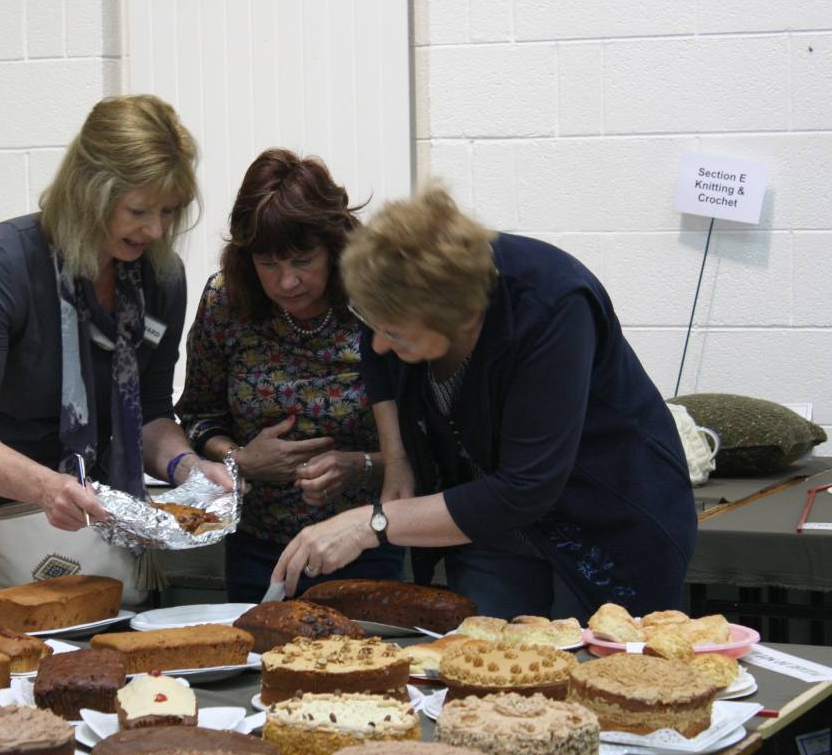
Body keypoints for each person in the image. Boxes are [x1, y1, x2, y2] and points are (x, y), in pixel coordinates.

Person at [272, 186, 698, 620]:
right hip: (488, 516)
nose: (380, 343)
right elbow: (376, 344)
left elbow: (525, 487)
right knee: (485, 663)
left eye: (396, 333)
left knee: (588, 670)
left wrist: (372, 523)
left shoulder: (552, 306)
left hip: (603, 520)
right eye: (373, 322)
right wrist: (398, 458)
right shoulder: (398, 295)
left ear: (462, 319)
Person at [0, 95, 230, 591]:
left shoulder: (160, 278)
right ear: (89, 193)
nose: (156, 230)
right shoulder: (5, 261)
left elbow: (151, 413)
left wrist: (187, 467)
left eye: (169, 212)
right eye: (138, 210)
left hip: (66, 515)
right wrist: (47, 486)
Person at [178, 149, 404, 602]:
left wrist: (358, 466)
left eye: (302, 260)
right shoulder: (227, 303)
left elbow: (422, 448)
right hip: (258, 549)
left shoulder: (372, 304)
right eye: (269, 264)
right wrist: (241, 457)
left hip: (362, 543)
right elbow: (199, 416)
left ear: (334, 246)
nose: (286, 282)